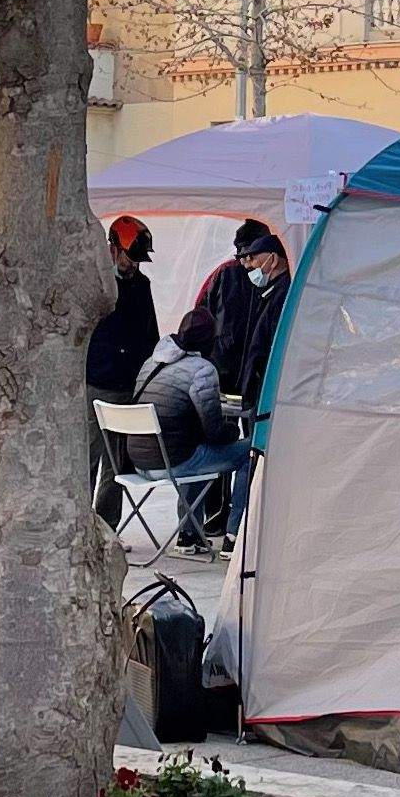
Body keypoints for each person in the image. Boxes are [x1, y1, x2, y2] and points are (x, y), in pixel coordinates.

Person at [132, 342, 250, 549]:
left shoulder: (149, 364)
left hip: (139, 464)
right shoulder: (202, 369)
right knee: (250, 451)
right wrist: (233, 431)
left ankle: (188, 535)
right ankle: (233, 537)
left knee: (197, 451)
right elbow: (214, 430)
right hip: (171, 464)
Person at [173, 221, 292, 420]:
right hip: (224, 374)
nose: (247, 263)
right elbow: (199, 318)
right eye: (244, 257)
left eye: (251, 257)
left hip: (252, 380)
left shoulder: (279, 286)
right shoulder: (224, 274)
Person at [86, 216, 160, 520]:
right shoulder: (95, 281)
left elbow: (150, 334)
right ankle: (80, 524)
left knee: (116, 466)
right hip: (94, 385)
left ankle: (106, 527)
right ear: (113, 248)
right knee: (86, 460)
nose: (134, 265)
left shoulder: (142, 286)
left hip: (127, 387)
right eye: (131, 258)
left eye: (139, 260)